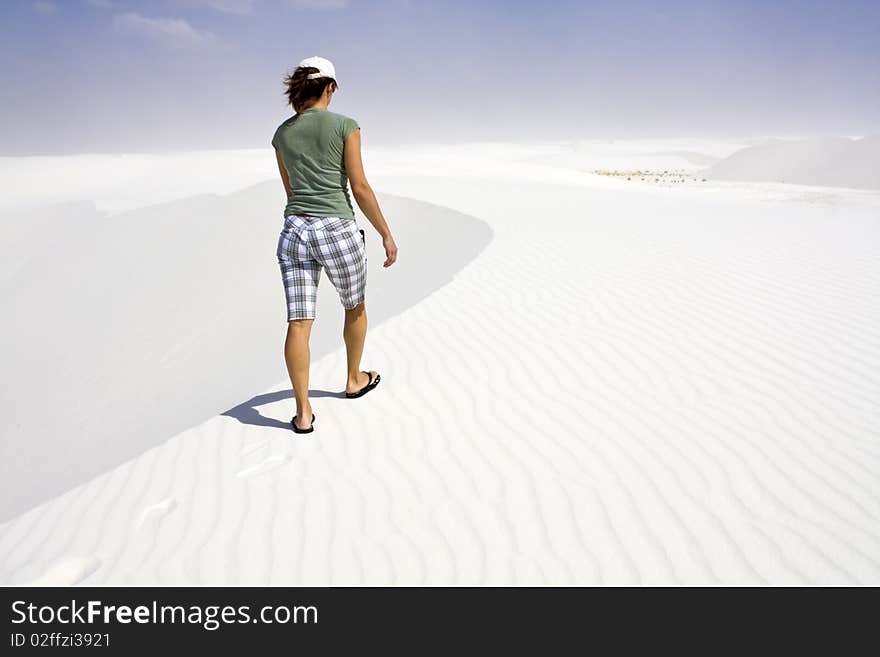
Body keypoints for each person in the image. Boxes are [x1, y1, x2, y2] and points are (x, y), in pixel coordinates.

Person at [272, 55, 398, 434]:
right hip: (336, 228)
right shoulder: (345, 125)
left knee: (299, 321)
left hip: (294, 230)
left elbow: (291, 190)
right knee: (354, 306)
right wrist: (385, 234)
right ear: (330, 87)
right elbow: (358, 186)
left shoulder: (281, 134)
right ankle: (353, 378)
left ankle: (304, 411)